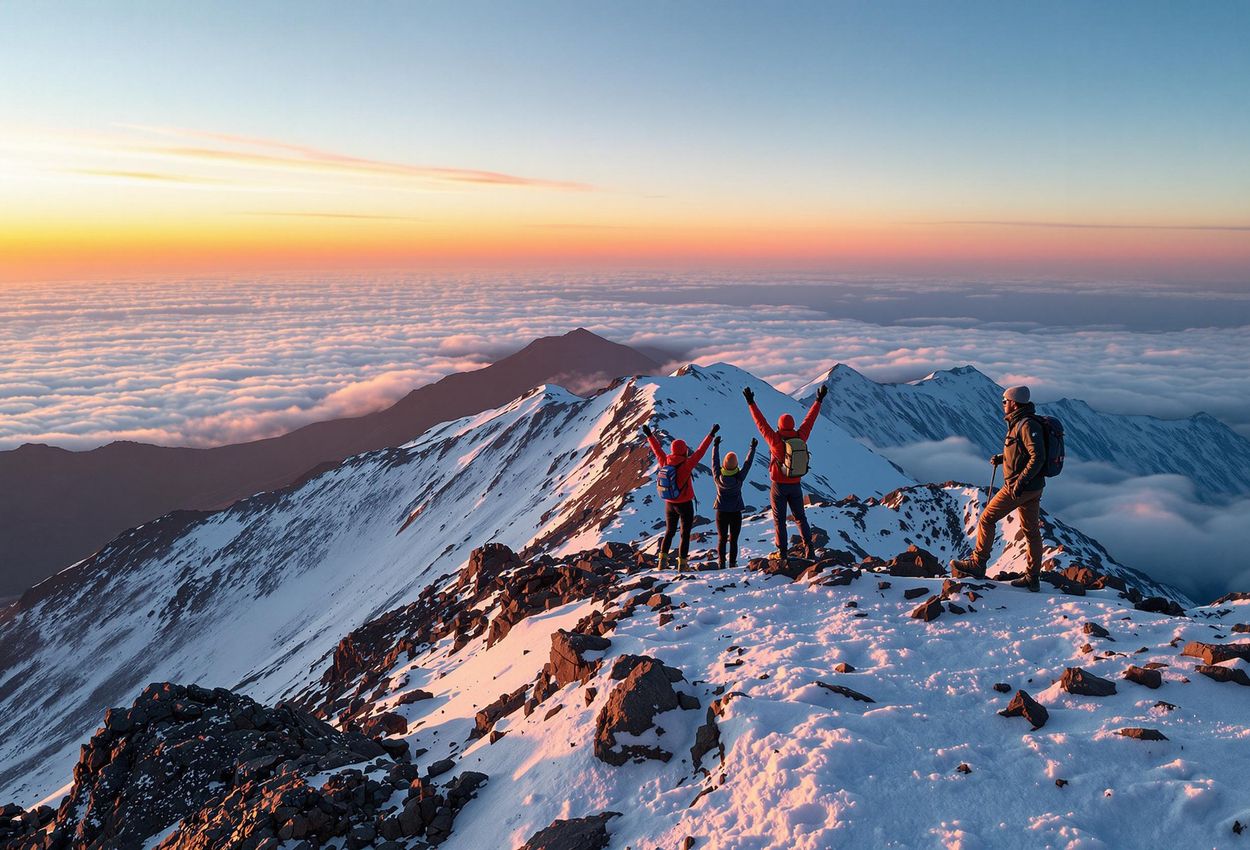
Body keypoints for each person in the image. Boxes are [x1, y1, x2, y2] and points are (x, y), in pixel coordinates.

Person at [950, 385, 1046, 591]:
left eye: (1005, 401)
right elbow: (1024, 453)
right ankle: (1033, 576)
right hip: (1034, 487)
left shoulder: (1025, 425)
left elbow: (1038, 456)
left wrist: (1020, 482)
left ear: (1014, 402)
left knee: (987, 519)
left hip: (1019, 487)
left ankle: (977, 564)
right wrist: (1003, 459)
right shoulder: (1022, 422)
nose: (1003, 404)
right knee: (1031, 531)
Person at [743, 383, 827, 562]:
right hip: (796, 485)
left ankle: (781, 552)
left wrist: (751, 403)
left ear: (780, 426)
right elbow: (809, 421)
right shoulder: (800, 436)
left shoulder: (774, 440)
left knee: (779, 520)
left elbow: (761, 423)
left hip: (779, 486)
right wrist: (818, 401)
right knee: (800, 518)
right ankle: (809, 549)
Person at [643, 421, 718, 572]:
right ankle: (682, 565)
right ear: (684, 451)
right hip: (685, 504)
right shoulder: (687, 464)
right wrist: (711, 435)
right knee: (684, 534)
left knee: (669, 532)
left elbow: (657, 449)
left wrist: (649, 435)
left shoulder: (665, 461)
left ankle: (662, 562)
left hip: (669, 504)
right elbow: (700, 451)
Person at [712, 434, 757, 569]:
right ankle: (732, 563)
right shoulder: (739, 477)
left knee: (722, 539)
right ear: (736, 465)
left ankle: (721, 563)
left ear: (724, 465)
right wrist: (752, 448)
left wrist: (716, 446)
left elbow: (714, 461)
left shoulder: (717, 477)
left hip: (721, 511)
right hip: (736, 512)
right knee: (734, 540)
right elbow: (747, 464)